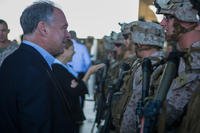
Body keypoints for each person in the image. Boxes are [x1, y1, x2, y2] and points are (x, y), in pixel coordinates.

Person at [0, 1, 77, 133]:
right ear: (43, 28)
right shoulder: (31, 69)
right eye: (64, 28)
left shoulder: (21, 61)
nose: (68, 35)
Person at [154, 0, 200, 132]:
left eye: (168, 18)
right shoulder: (184, 57)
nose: (162, 23)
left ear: (188, 22)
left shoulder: (195, 60)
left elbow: (169, 113)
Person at [120, 21, 166, 133]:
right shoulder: (141, 64)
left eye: (133, 40)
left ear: (141, 43)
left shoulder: (158, 67)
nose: (131, 43)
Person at [52, 39, 105, 132]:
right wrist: (89, 73)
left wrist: (77, 84)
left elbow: (76, 87)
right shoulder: (58, 69)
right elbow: (76, 90)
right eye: (72, 49)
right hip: (66, 119)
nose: (74, 52)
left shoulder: (66, 67)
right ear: (64, 50)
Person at [67, 30, 92, 108]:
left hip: (67, 73)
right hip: (80, 75)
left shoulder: (65, 47)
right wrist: (84, 72)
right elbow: (88, 62)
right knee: (81, 95)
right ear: (75, 36)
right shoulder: (82, 47)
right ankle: (79, 114)